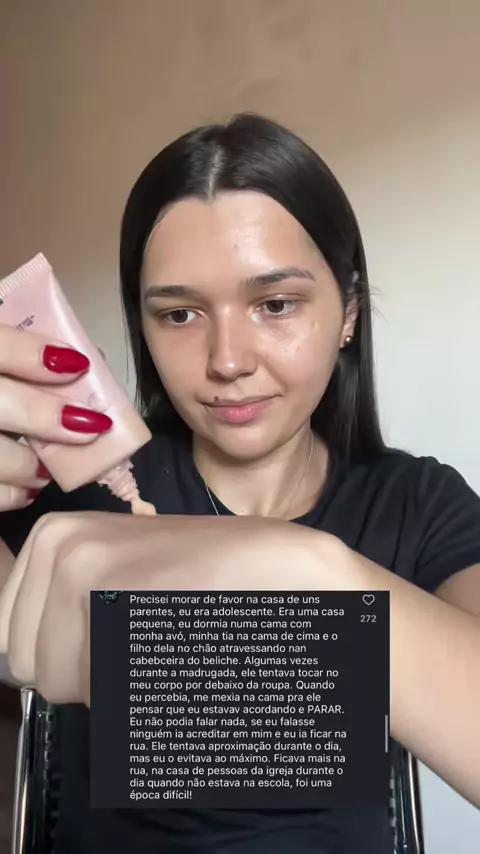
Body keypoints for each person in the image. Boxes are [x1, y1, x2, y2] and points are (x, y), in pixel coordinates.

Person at [0, 113, 479, 854]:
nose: (227, 360)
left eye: (275, 304)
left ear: (348, 312)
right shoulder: (73, 493)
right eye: (179, 313)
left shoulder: (419, 504)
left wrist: (305, 572)